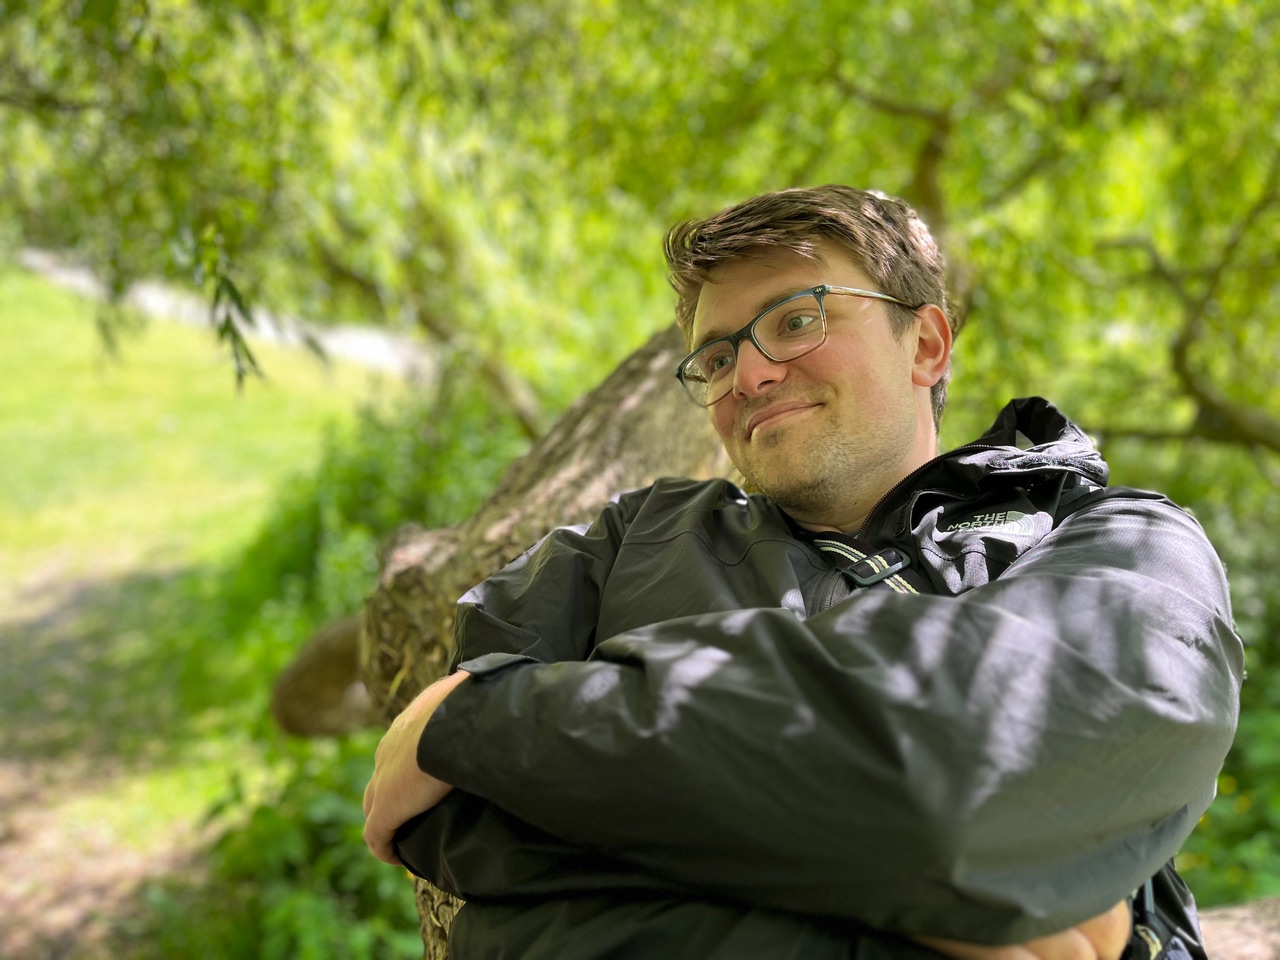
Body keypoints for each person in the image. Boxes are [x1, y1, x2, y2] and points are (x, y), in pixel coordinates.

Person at [362, 185, 1243, 960]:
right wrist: (937, 913)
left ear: (926, 344)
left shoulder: (1116, 541)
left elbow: (974, 781)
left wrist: (485, 719)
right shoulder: (617, 550)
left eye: (796, 319)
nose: (747, 373)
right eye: (715, 358)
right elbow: (458, 826)